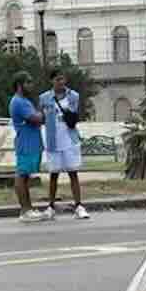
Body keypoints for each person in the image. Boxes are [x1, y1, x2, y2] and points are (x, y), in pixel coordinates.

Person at [39, 69, 91, 220]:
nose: (61, 82)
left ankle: (79, 205)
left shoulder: (73, 96)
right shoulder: (44, 98)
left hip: (69, 138)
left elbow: (75, 114)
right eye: (57, 79)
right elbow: (42, 116)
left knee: (73, 173)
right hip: (53, 140)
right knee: (53, 174)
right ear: (52, 81)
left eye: (62, 79)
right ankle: (51, 206)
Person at [10, 74, 46, 221]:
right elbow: (36, 118)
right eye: (28, 82)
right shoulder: (18, 102)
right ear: (20, 85)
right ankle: (25, 210)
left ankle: (29, 208)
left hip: (31, 141)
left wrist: (39, 116)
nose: (31, 85)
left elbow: (37, 119)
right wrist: (41, 112)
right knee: (21, 175)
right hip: (25, 142)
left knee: (25, 177)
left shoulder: (24, 101)